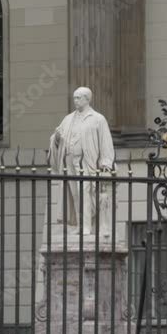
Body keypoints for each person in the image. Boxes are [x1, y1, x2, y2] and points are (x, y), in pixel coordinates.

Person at [48, 87, 115, 236]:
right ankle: (80, 224)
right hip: (69, 161)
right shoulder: (68, 119)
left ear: (87, 99)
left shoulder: (97, 118)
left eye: (78, 98)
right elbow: (56, 140)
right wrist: (57, 138)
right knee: (74, 195)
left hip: (87, 162)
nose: (75, 101)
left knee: (85, 192)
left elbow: (105, 143)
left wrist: (106, 164)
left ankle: (87, 227)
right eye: (74, 98)